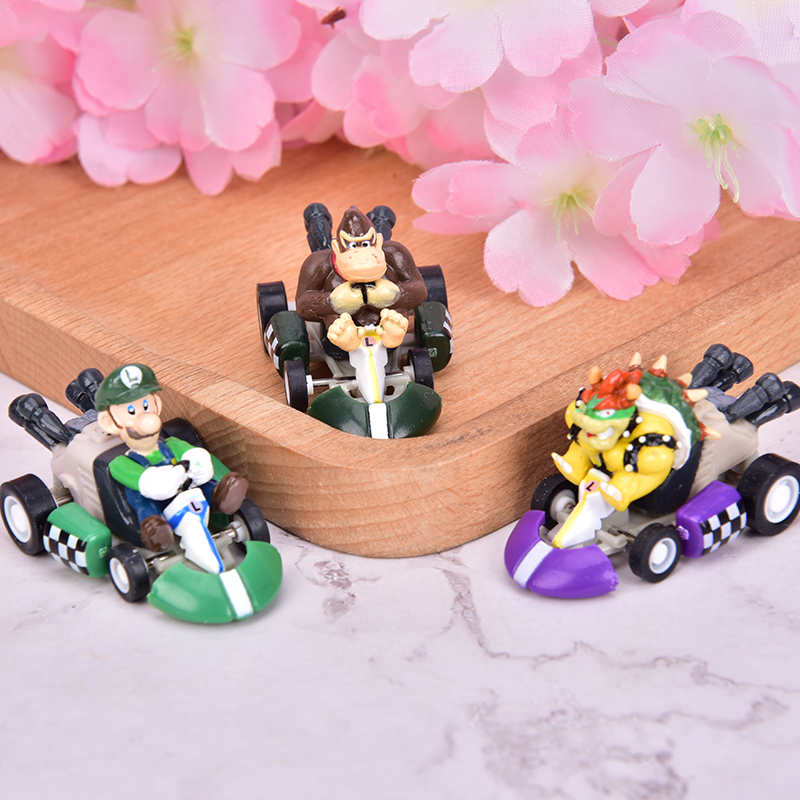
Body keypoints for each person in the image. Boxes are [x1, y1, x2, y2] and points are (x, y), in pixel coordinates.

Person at [95, 364, 248, 552]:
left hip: (184, 488)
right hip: (153, 497)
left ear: (156, 405)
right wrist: (164, 480)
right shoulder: (120, 463)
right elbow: (144, 481)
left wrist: (197, 465)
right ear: (110, 423)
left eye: (146, 407)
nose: (146, 421)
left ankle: (219, 496)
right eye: (132, 411)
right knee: (145, 505)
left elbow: (193, 454)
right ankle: (156, 530)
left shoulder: (171, 444)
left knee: (203, 485)